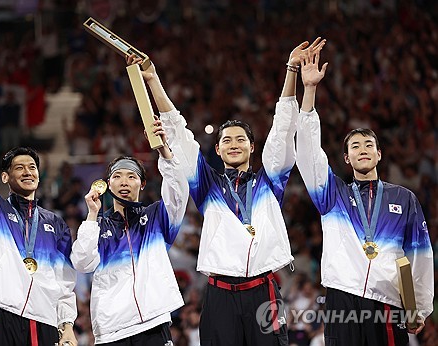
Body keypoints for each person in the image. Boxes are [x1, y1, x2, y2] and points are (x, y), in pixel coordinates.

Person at [130, 38, 325, 346]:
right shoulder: (207, 186)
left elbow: (283, 131)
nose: (234, 144)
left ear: (251, 147)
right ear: (218, 149)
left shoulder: (269, 183)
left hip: (263, 293)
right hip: (219, 295)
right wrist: (153, 80)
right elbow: (180, 135)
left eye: (241, 139)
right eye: (228, 140)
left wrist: (291, 70)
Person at [295, 41, 434, 345]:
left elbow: (420, 254)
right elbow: (307, 154)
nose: (362, 150)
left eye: (369, 144)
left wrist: (420, 307)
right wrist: (309, 91)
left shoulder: (403, 198)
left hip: (388, 304)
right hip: (342, 299)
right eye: (354, 146)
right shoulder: (333, 196)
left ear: (379, 154)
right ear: (346, 158)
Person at [0, 74, 78, 346]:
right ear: (6, 177)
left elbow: (65, 280)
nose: (28, 171)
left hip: (44, 321)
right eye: (19, 167)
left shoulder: (55, 224)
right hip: (3, 315)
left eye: (32, 167)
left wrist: (66, 324)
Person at [70, 103, 189, 343]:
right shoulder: (98, 226)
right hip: (113, 329)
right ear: (108, 184)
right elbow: (82, 262)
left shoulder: (157, 217)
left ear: (142, 184)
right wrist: (92, 215)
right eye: (117, 176)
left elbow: (178, 191)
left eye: (131, 176)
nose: (124, 181)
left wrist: (164, 150)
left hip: (154, 322)